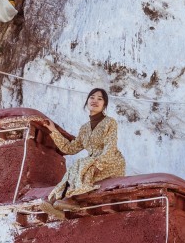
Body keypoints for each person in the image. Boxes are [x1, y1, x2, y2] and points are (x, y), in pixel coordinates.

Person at [41, 88, 126, 216]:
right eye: (92, 97)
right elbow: (69, 148)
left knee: (82, 164)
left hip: (111, 161)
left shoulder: (110, 122)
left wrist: (97, 162)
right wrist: (53, 130)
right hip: (92, 163)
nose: (95, 101)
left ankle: (66, 200)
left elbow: (110, 146)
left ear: (104, 105)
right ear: (87, 101)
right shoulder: (84, 128)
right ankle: (56, 203)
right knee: (79, 165)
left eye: (100, 98)